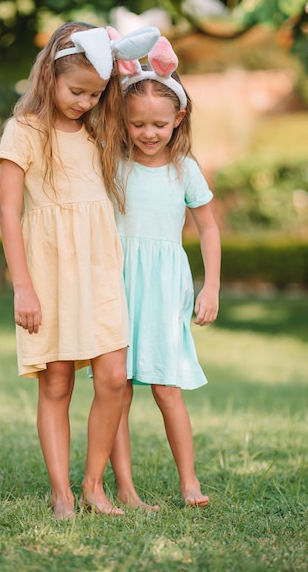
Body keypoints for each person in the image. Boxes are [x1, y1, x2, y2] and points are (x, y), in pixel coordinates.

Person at [0, 22, 160, 520]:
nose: (85, 101)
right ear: (49, 74)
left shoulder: (98, 127)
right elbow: (8, 211)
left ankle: (94, 485)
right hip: (48, 270)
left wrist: (132, 64)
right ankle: (62, 492)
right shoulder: (24, 130)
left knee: (113, 377)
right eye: (76, 90)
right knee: (58, 381)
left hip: (99, 266)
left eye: (95, 92)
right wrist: (22, 286)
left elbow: (156, 101)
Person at [109, 37, 221, 510]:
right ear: (123, 121)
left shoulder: (184, 169)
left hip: (163, 287)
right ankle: (124, 488)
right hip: (116, 284)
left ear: (178, 119)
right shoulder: (112, 165)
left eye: (158, 123)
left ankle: (189, 482)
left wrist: (210, 285)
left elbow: (209, 228)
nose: (148, 133)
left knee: (166, 387)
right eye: (137, 123)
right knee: (115, 388)